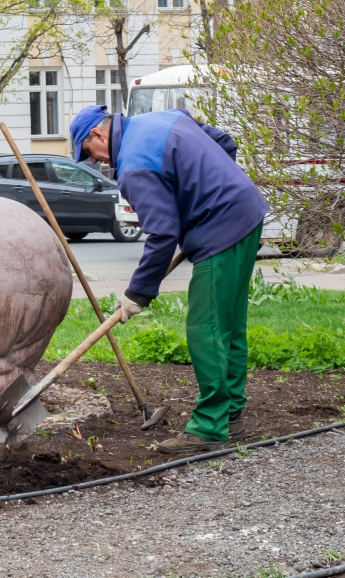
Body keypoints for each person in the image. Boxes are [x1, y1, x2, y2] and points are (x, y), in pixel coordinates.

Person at [69, 104, 269, 453]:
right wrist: (209, 189)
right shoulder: (163, 118)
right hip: (247, 212)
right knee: (229, 327)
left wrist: (138, 292)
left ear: (98, 134)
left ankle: (209, 427)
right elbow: (226, 143)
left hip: (220, 229)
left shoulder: (133, 165)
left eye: (91, 153)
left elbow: (162, 233)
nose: (98, 162)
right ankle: (230, 416)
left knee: (206, 328)